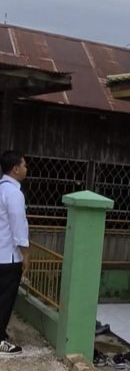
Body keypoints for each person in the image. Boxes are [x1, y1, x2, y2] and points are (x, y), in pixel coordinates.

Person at [0, 151, 29, 354]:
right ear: (16, 169)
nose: (26, 169)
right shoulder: (14, 193)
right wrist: (25, 255)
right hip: (8, 257)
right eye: (24, 165)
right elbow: (18, 226)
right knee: (5, 299)